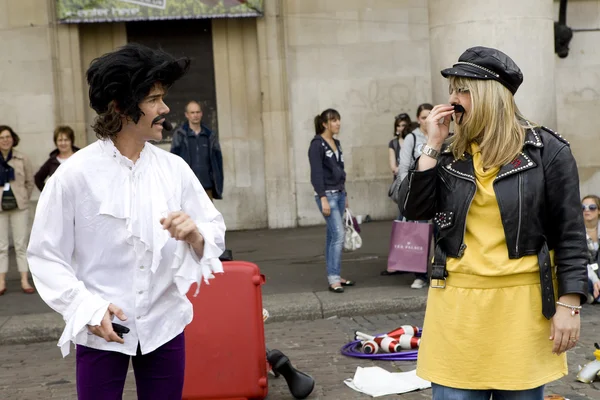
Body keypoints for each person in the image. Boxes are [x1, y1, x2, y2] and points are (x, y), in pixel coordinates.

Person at [26, 43, 226, 399]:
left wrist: (195, 234)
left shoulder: (173, 169)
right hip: (101, 329)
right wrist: (86, 307)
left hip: (164, 325)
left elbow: (213, 228)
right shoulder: (73, 176)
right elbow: (45, 256)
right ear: (120, 106)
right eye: (154, 99)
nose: (165, 109)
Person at [399, 46, 588, 399]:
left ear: (489, 96)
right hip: (456, 309)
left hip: (523, 310)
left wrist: (569, 304)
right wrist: (431, 146)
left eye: (462, 90)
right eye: (451, 90)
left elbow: (570, 234)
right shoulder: (449, 153)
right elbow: (414, 210)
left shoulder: (548, 151)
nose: (452, 101)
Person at [308, 109, 354, 293]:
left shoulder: (336, 143)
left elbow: (340, 169)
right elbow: (316, 174)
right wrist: (323, 197)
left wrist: (346, 195)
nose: (338, 124)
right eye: (334, 121)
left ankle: (335, 275)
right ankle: (333, 278)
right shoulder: (316, 145)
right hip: (327, 195)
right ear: (325, 124)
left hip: (340, 194)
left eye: (338, 120)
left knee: (332, 236)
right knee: (338, 235)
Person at [398, 103, 433, 289]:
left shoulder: (441, 135)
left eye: (430, 116)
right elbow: (404, 166)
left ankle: (439, 270)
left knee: (442, 232)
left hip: (438, 191)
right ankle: (420, 274)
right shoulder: (412, 138)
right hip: (420, 193)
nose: (427, 120)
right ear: (418, 119)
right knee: (420, 233)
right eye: (424, 116)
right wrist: (408, 193)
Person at [0, 125, 35, 295]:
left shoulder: (22, 158)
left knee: (21, 245)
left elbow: (30, 181)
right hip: (0, 209)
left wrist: (23, 198)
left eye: (7, 136)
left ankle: (24, 279)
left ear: (13, 138)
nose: (5, 140)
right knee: (2, 246)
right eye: (1, 137)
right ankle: (1, 281)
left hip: (19, 207)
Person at [170, 101, 223, 201]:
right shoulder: (180, 135)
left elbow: (218, 161)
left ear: (201, 114)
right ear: (187, 115)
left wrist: (218, 185)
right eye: (192, 112)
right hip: (187, 187)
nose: (195, 115)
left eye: (198, 112)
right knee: (189, 216)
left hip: (206, 186)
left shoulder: (210, 135)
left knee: (208, 216)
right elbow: (173, 160)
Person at [34, 125, 80, 191]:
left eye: (66, 140)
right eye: (60, 140)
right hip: (60, 200)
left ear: (71, 141)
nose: (63, 143)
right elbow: (38, 178)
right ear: (56, 142)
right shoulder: (51, 161)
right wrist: (48, 193)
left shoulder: (80, 157)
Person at [582, 195, 600, 303]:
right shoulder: (576, 233)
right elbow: (582, 263)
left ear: (598, 210)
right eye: (583, 207)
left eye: (592, 207)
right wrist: (596, 280)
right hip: (588, 276)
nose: (587, 210)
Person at [388, 113, 412, 179]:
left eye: (403, 125)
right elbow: (393, 168)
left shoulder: (414, 140)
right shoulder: (393, 143)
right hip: (399, 180)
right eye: (398, 126)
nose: (401, 128)